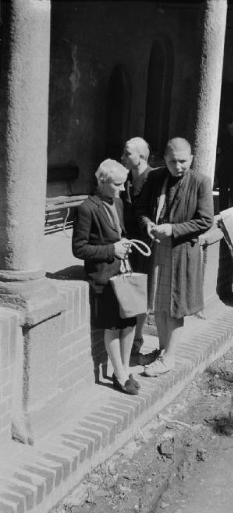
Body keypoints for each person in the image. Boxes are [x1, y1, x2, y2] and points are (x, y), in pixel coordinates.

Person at [137, 137, 214, 376]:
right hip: (158, 248)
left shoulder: (200, 182)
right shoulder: (155, 177)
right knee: (159, 304)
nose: (177, 166)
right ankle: (162, 351)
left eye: (182, 161)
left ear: (191, 159)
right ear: (164, 159)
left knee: (175, 306)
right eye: (172, 161)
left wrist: (173, 229)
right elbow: (140, 209)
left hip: (181, 251)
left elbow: (205, 220)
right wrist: (148, 223)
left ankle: (169, 358)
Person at [72, 159, 140, 395]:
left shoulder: (118, 202)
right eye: (118, 184)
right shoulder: (87, 208)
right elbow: (79, 249)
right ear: (102, 182)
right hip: (103, 276)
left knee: (130, 321)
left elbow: (120, 232)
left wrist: (124, 244)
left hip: (123, 272)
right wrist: (112, 250)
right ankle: (119, 374)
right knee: (112, 325)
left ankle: (123, 367)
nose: (122, 189)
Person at [121, 137, 153, 355]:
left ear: (141, 157)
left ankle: (138, 336)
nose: (122, 157)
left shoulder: (154, 178)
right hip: (126, 242)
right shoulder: (123, 178)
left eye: (127, 154)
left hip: (146, 244)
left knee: (142, 290)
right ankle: (128, 334)